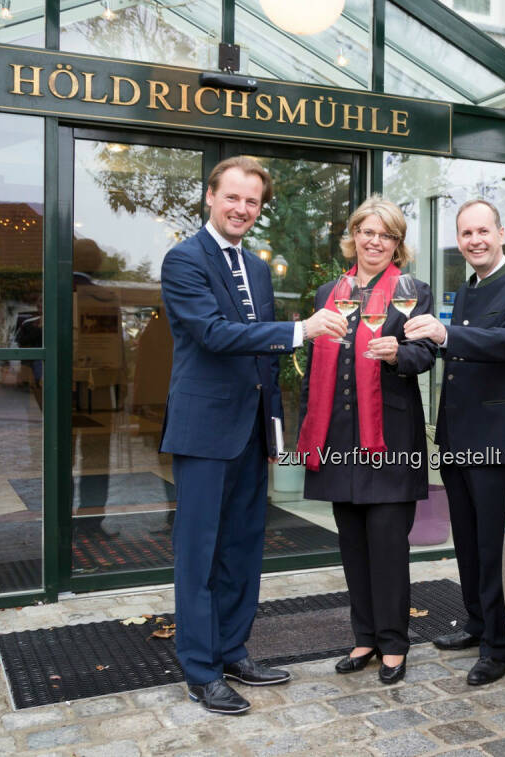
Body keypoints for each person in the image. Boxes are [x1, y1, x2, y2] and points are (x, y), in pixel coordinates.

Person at [159, 156, 346, 715]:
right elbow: (215, 335)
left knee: (243, 547)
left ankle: (232, 650)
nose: (242, 209)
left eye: (252, 202)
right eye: (233, 197)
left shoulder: (258, 268)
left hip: (250, 430)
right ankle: (199, 670)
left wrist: (276, 427)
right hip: (204, 430)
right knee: (199, 554)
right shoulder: (183, 260)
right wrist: (300, 329)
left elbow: (261, 357)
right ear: (210, 197)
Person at [404, 199, 505, 686]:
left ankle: (499, 646)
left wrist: (445, 334)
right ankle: (475, 623)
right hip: (458, 434)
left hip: (499, 438)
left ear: (502, 233)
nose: (474, 241)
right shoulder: (466, 290)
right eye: (466, 234)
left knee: (492, 545)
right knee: (465, 539)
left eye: (482, 231)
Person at [296, 196, 436, 685]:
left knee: (387, 544)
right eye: (367, 231)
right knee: (352, 544)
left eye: (387, 235)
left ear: (397, 244)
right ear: (353, 235)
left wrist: (399, 353)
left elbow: (426, 355)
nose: (375, 241)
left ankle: (395, 643)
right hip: (337, 436)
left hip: (390, 438)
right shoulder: (325, 293)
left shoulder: (413, 291)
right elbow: (315, 367)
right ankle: (364, 637)